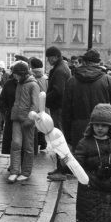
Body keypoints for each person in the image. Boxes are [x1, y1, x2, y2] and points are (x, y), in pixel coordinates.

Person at [62, 49, 111, 167]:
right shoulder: (108, 80)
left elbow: (66, 112)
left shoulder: (72, 81)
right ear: (98, 63)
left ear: (84, 62)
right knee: (103, 166)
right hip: (103, 130)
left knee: (82, 169)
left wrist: (68, 138)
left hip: (78, 130)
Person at [7, 62, 40, 183]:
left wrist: (30, 119)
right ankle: (14, 171)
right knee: (15, 144)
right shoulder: (20, 83)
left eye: (15, 74)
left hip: (28, 120)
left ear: (22, 73)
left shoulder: (33, 85)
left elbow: (35, 105)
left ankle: (26, 172)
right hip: (16, 118)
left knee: (28, 147)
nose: (14, 77)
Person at [45, 46, 72, 181]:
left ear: (55, 56)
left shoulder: (60, 70)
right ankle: (60, 168)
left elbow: (59, 91)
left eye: (49, 57)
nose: (48, 60)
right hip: (60, 108)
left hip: (59, 109)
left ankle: (62, 170)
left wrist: (45, 99)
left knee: (59, 139)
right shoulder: (61, 67)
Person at [30, 57, 48, 154]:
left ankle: (36, 145)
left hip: (35, 104)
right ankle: (43, 143)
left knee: (35, 125)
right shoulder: (45, 78)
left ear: (32, 66)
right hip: (44, 105)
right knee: (43, 124)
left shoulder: (31, 78)